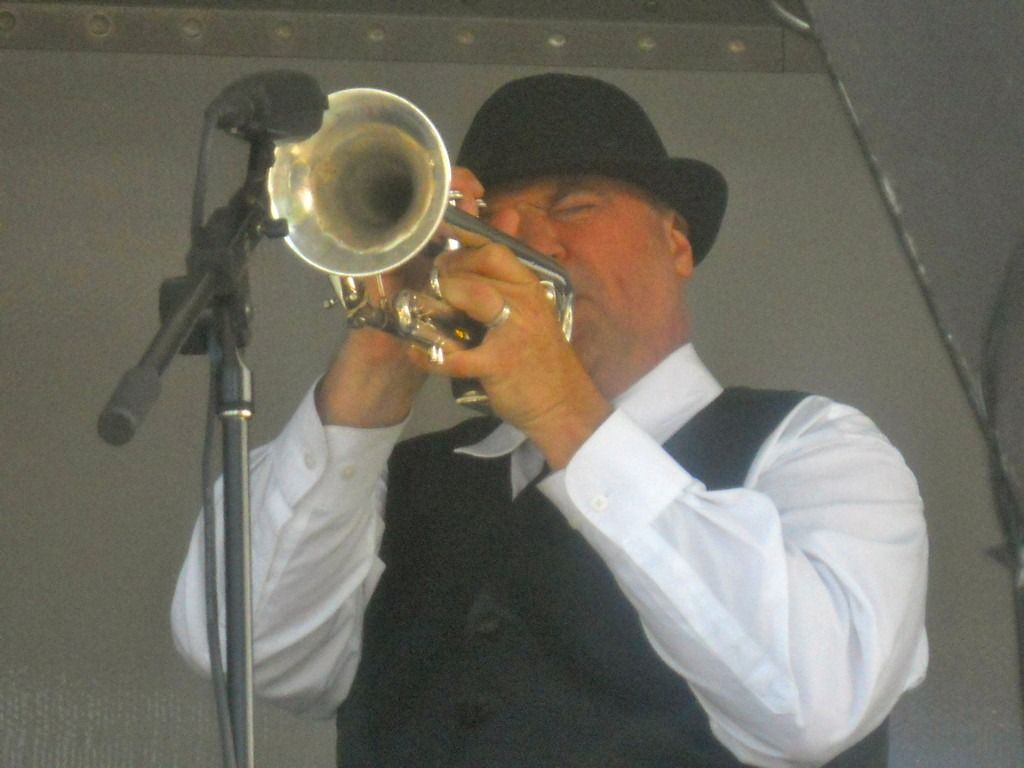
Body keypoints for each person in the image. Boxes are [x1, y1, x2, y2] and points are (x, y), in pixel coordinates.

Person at [172, 73, 928, 767]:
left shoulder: (817, 447)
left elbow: (814, 705)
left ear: (676, 241)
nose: (531, 241)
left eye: (573, 204)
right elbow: (248, 652)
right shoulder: (405, 481)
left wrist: (565, 411)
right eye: (489, 221)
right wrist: (378, 352)